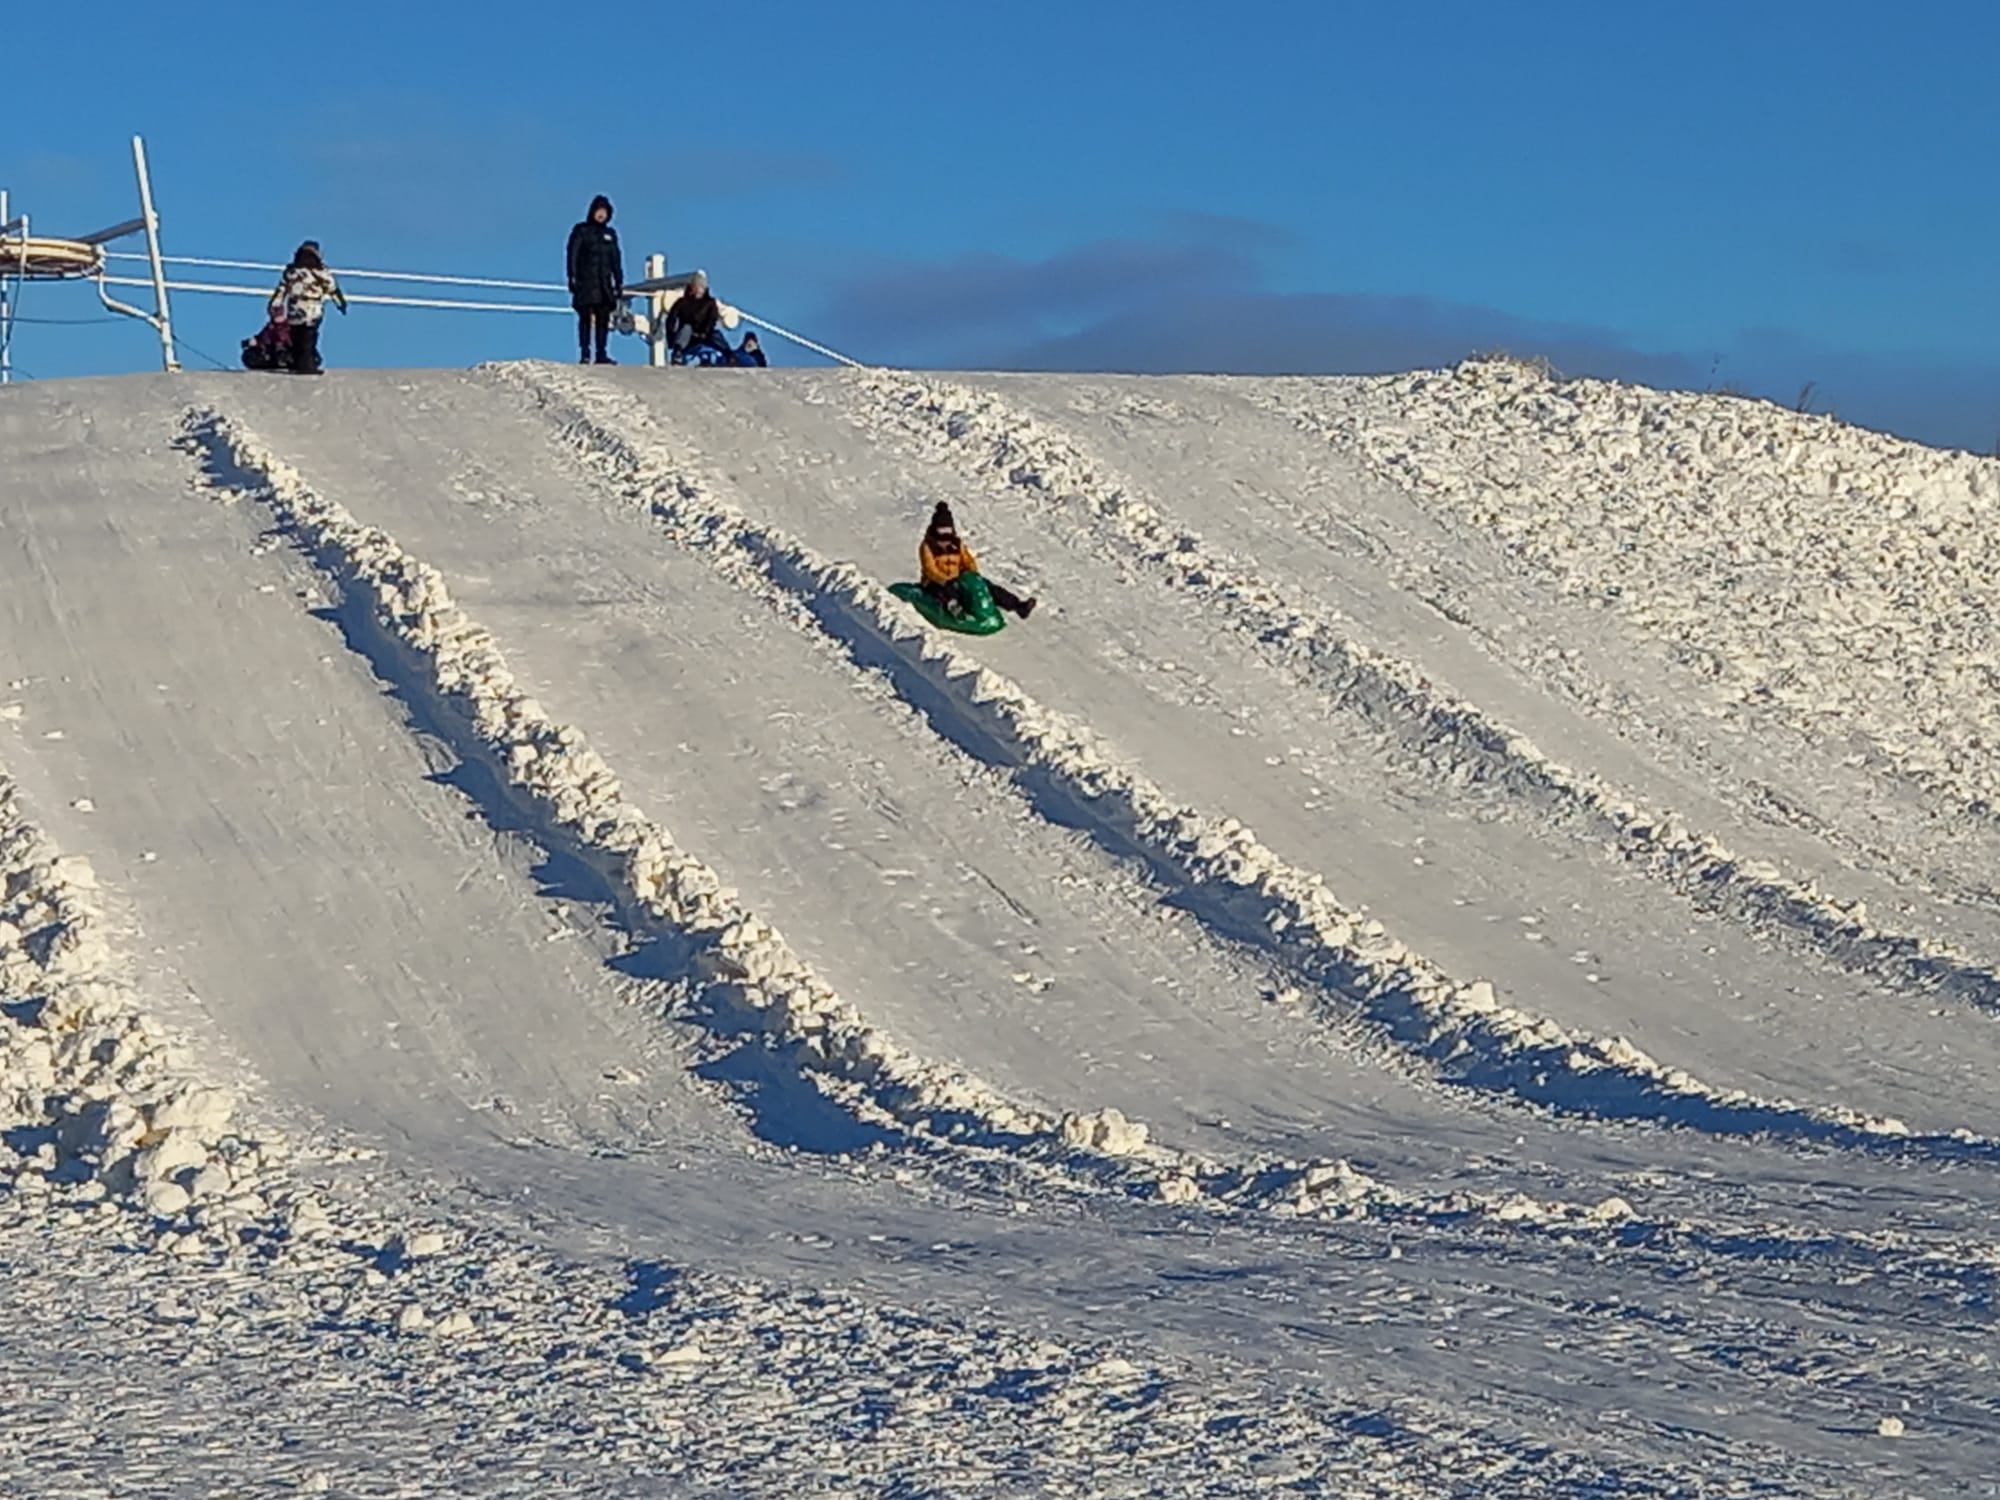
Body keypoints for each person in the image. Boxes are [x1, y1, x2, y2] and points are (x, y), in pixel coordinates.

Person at [919, 502, 1035, 619]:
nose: (945, 535)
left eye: (947, 531)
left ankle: (1018, 606)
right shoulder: (927, 546)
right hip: (935, 581)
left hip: (957, 578)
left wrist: (972, 575)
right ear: (935, 530)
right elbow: (929, 569)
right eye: (942, 531)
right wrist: (943, 580)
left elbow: (968, 560)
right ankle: (954, 609)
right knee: (942, 592)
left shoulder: (956, 544)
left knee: (987, 587)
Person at [269, 241, 346, 375]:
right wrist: (341, 304)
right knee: (308, 338)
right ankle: (306, 365)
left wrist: (275, 304)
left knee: (296, 337)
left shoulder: (292, 272)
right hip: (312, 310)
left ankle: (298, 363)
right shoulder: (321, 273)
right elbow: (334, 290)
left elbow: (281, 290)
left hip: (294, 309)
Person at [566, 194, 624, 364]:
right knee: (585, 318)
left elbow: (616, 259)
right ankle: (585, 352)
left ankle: (601, 352)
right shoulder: (582, 231)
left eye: (604, 212)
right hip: (586, 281)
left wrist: (619, 281)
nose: (601, 215)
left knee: (603, 319)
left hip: (604, 283)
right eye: (598, 211)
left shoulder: (610, 234)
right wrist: (572, 276)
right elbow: (573, 254)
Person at [664, 269, 730, 365]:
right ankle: (678, 353)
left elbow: (712, 319)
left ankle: (729, 355)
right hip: (688, 335)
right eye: (697, 287)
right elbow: (671, 319)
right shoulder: (682, 302)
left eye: (701, 287)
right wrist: (671, 338)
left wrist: (705, 333)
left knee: (716, 334)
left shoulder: (710, 303)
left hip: (705, 333)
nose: (699, 290)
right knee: (687, 328)